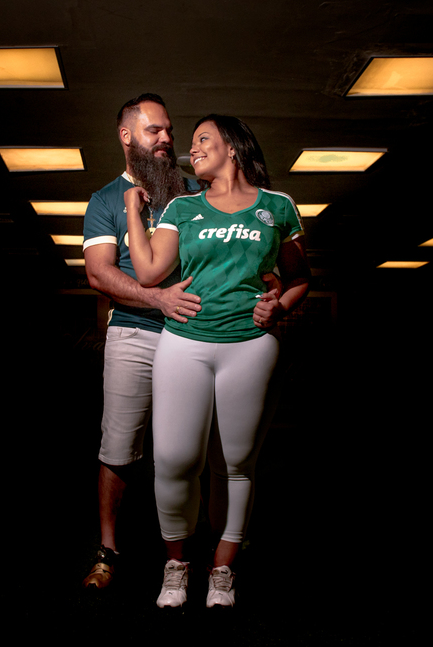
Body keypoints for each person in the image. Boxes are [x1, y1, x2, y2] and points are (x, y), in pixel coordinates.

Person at [124, 114, 310, 609]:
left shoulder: (278, 206)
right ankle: (176, 565)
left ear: (233, 146)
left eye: (203, 139)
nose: (193, 149)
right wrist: (132, 213)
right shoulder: (182, 208)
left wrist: (279, 307)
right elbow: (148, 272)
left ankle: (223, 569)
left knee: (235, 464)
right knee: (174, 460)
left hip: (250, 345)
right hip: (185, 341)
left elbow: (299, 279)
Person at [80, 93, 203, 591]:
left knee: (191, 447)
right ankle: (107, 549)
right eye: (155, 130)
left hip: (193, 332)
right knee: (119, 448)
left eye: (170, 129)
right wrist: (157, 299)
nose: (167, 139)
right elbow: (98, 273)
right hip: (132, 332)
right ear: (127, 136)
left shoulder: (195, 192)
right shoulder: (106, 200)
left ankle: (188, 547)